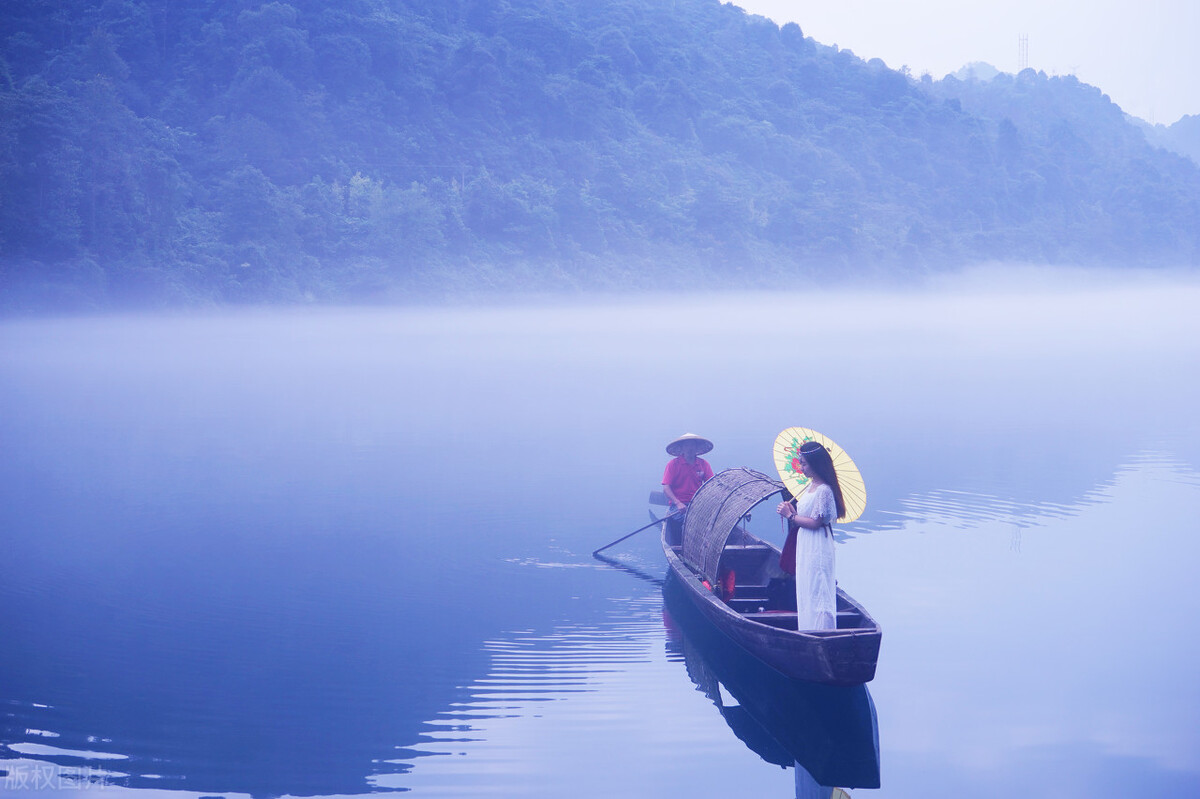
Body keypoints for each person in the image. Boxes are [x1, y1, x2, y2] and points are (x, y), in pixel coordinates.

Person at [776, 441, 846, 630]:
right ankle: (808, 628)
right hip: (806, 543)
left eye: (804, 463)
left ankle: (823, 631)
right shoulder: (810, 486)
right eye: (801, 463)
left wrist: (790, 516)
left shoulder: (824, 490)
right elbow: (806, 515)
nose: (801, 467)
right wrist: (792, 510)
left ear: (816, 464)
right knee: (807, 585)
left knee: (818, 586)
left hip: (817, 545)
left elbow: (816, 522)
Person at [661, 433, 714, 546]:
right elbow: (666, 487)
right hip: (678, 507)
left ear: (697, 448)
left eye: (693, 445)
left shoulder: (703, 464)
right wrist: (678, 503)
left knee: (712, 521)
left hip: (697, 505)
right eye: (687, 445)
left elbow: (711, 485)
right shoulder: (673, 465)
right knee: (689, 521)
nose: (690, 448)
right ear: (682, 448)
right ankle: (687, 545)